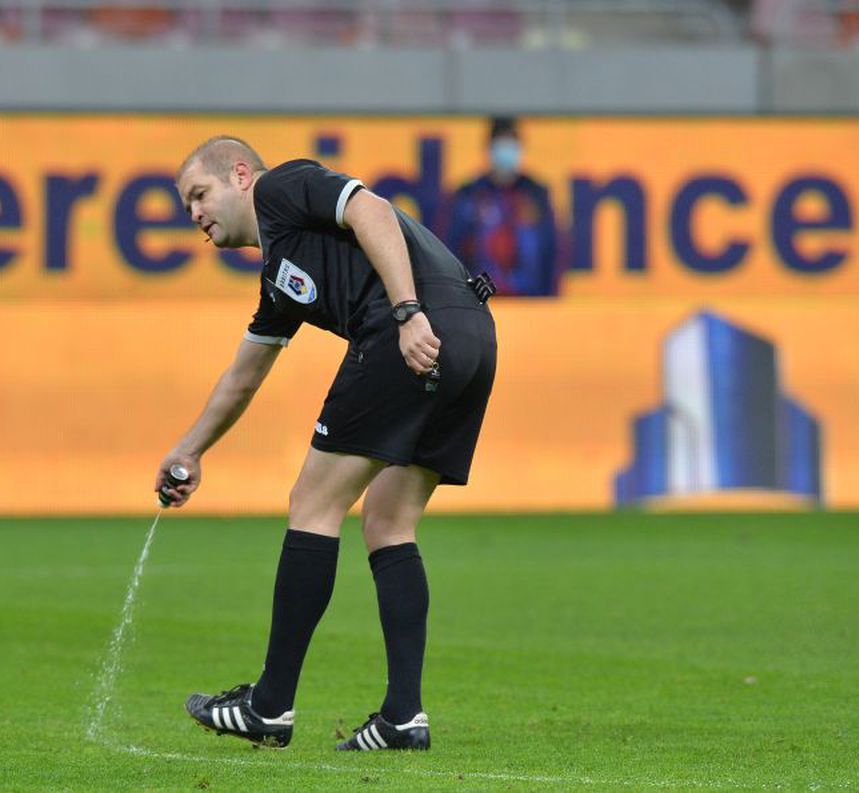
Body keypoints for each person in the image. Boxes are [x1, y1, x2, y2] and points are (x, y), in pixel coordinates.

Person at [155, 136, 497, 752]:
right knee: (389, 524)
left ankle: (271, 705)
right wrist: (191, 449)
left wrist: (405, 311)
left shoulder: (281, 188)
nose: (195, 215)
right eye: (186, 208)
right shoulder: (281, 274)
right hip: (473, 334)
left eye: (199, 195)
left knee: (311, 506)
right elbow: (245, 374)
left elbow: (370, 209)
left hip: (412, 326)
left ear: (240, 176)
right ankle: (402, 718)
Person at [444, 116, 559, 297]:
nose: (506, 152)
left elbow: (552, 250)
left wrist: (548, 297)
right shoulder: (469, 194)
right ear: (489, 148)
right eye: (500, 144)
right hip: (482, 301)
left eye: (511, 144)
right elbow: (452, 251)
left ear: (520, 148)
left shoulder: (536, 194)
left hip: (530, 299)